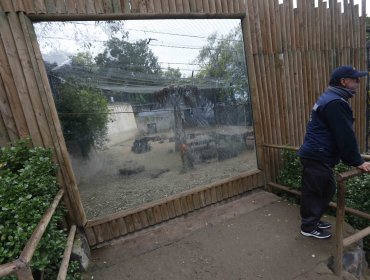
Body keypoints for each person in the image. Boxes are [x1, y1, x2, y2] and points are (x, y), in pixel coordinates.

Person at [298, 65, 370, 239]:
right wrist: (357, 161)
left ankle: (312, 220)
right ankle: (308, 227)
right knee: (317, 191)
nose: (359, 83)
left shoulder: (331, 97)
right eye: (355, 80)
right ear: (343, 81)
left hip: (316, 153)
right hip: (317, 154)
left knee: (324, 188)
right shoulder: (336, 102)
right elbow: (344, 135)